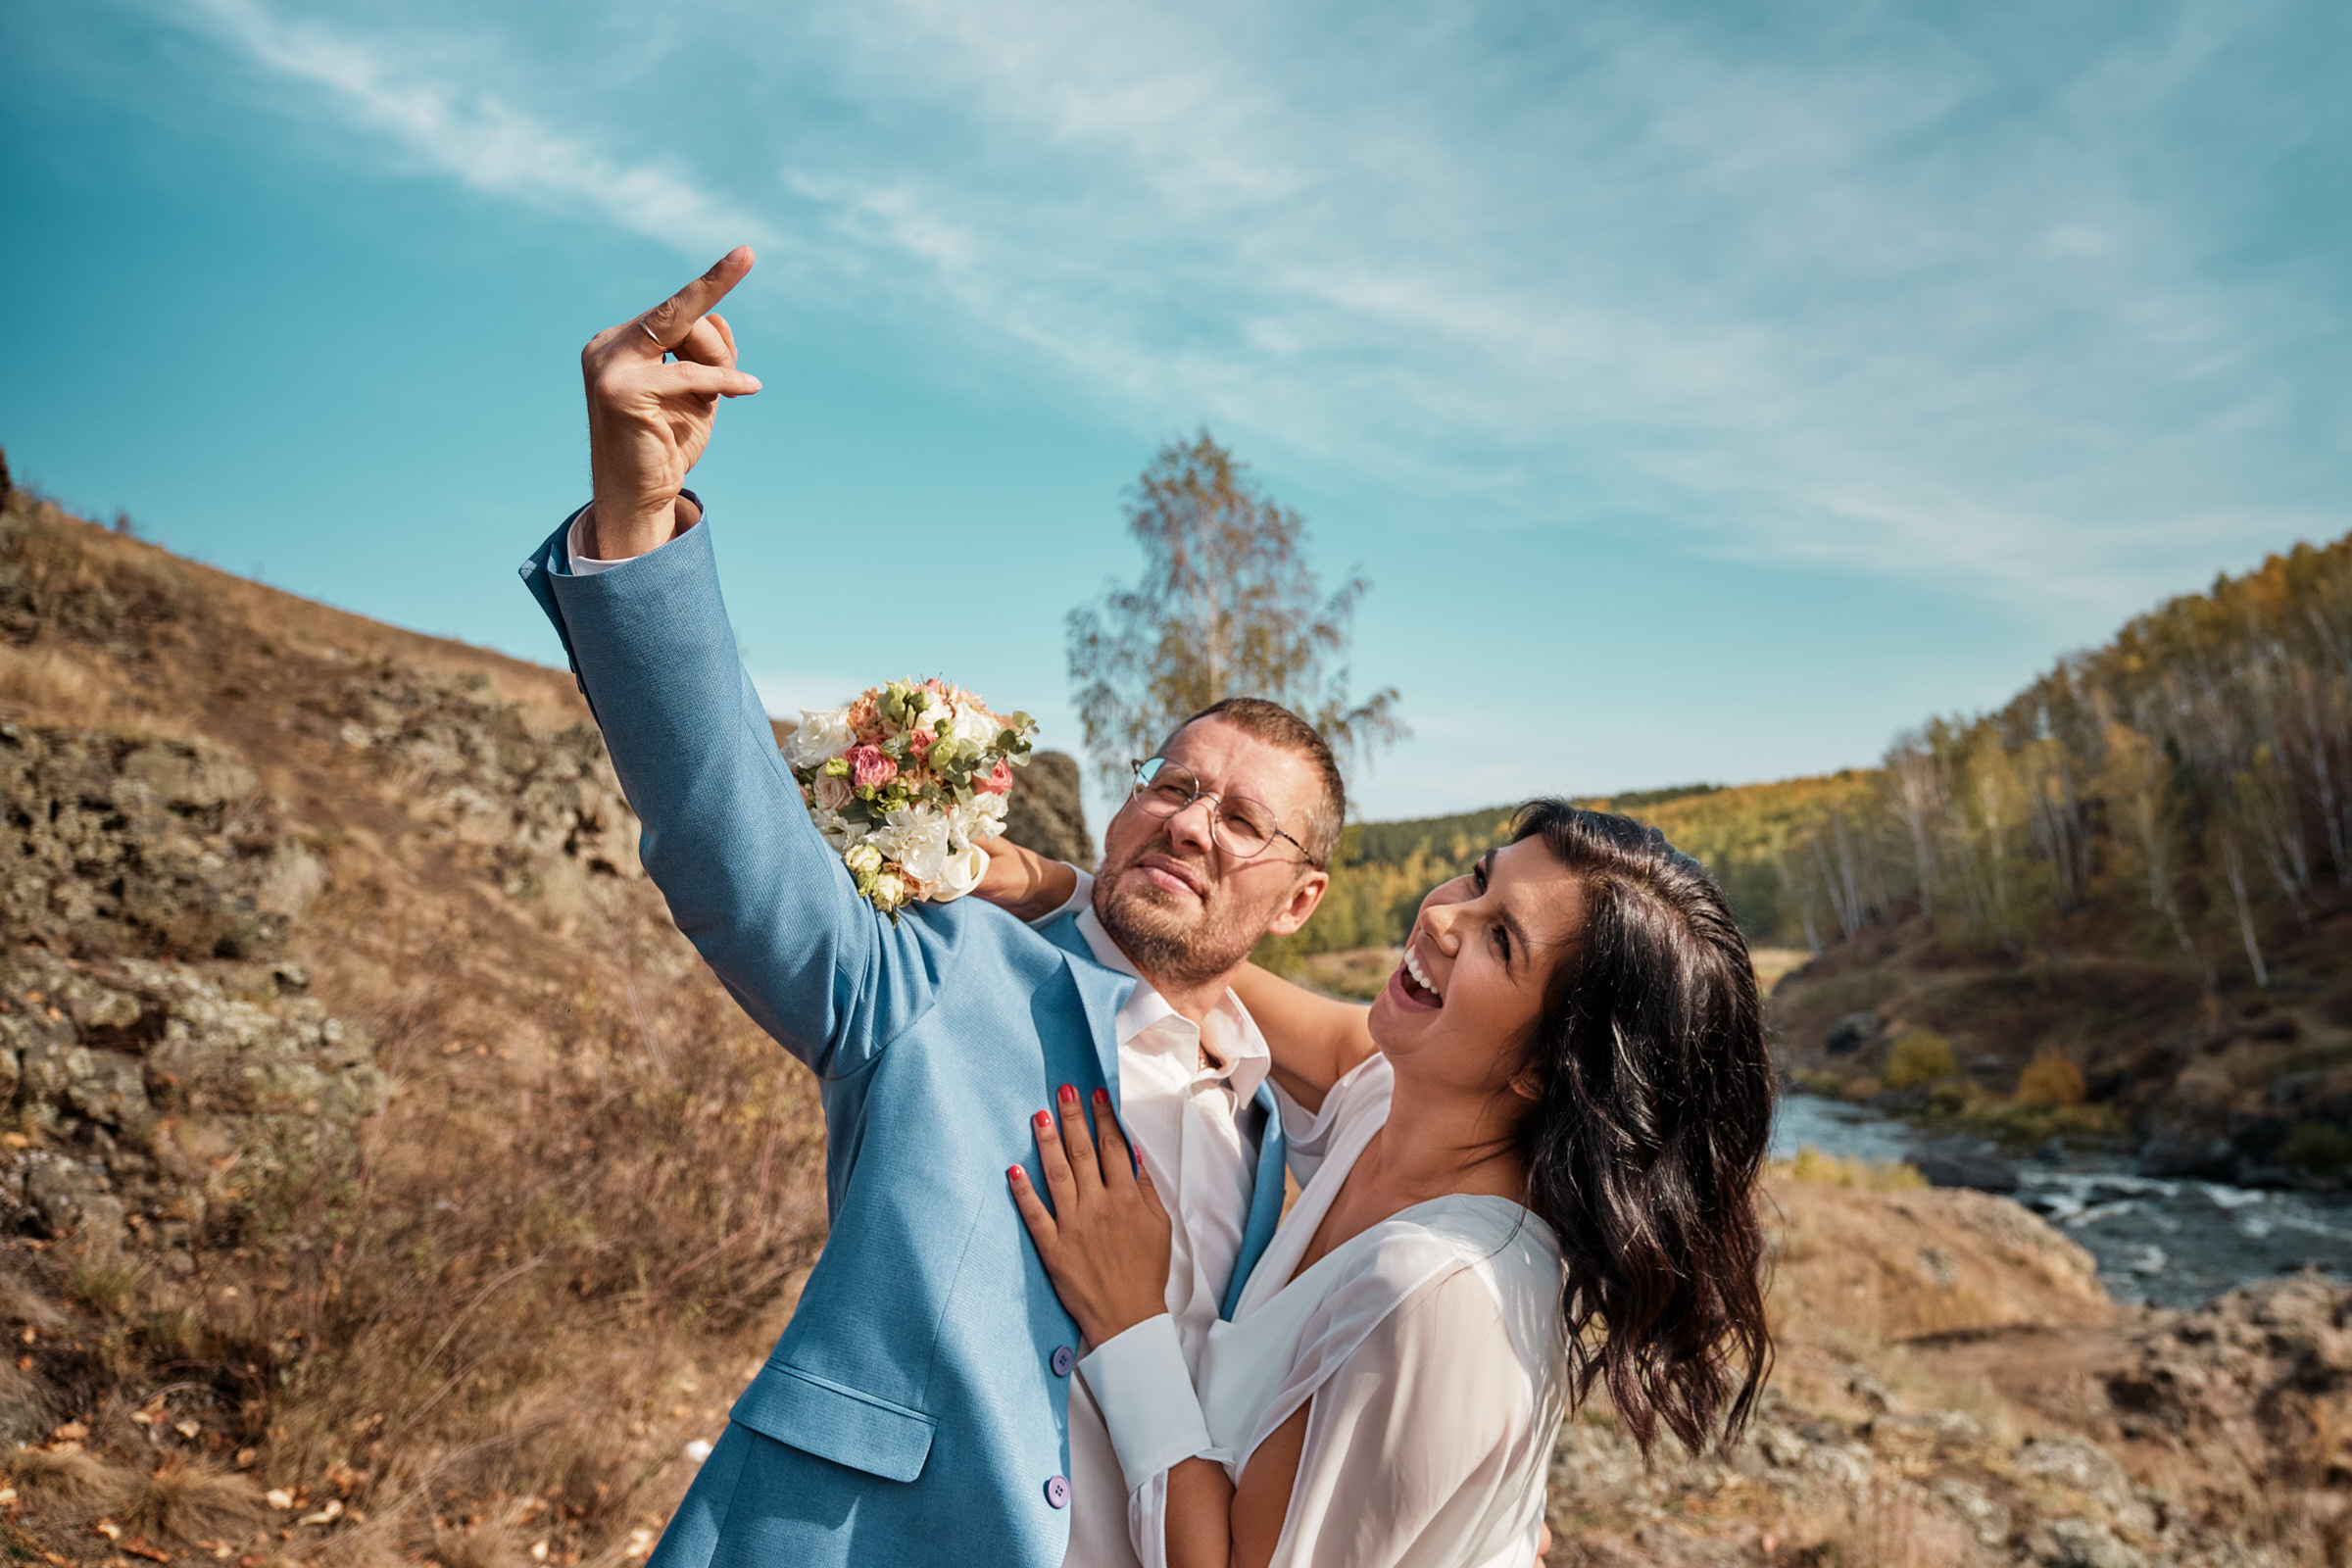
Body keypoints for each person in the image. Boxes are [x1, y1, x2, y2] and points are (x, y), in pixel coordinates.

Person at [517, 247, 1357, 1568]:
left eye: (1242, 820)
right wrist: (636, 518)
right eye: (1175, 783)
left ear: (1301, 898)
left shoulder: (1296, 1135)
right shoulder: (942, 979)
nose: (1192, 820)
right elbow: (726, 839)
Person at [978, 805, 1776, 1566]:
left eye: (1501, 940)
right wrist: (1073, 890)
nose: (1442, 918)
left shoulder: (1437, 1292)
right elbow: (1252, 995)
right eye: (1476, 877)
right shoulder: (1394, 1097)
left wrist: (1127, 1318)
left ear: (1547, 1067)